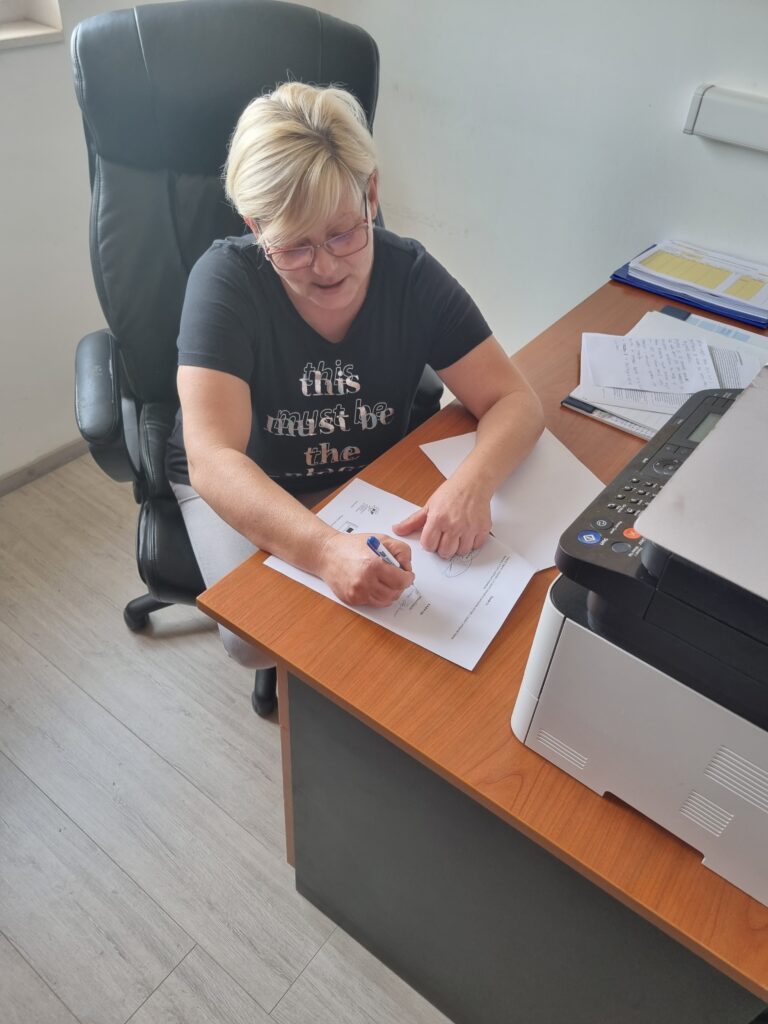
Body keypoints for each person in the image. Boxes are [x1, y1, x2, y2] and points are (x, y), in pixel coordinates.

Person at [165, 82, 544, 715]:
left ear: (371, 194)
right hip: (253, 477)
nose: (325, 267)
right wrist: (323, 551)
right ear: (256, 228)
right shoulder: (226, 281)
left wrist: (471, 484)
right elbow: (213, 458)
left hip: (365, 474)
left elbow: (514, 399)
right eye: (293, 246)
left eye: (343, 234)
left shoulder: (409, 275)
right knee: (255, 638)